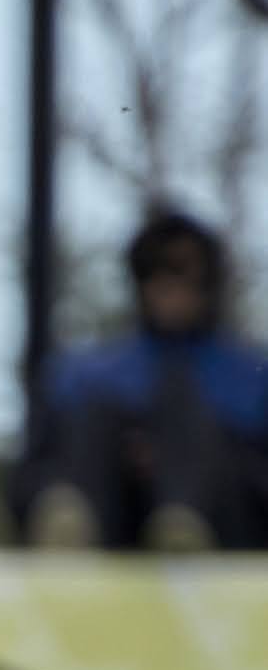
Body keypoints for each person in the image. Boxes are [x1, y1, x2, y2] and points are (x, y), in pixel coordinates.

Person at [23, 207, 268, 554]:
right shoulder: (86, 374)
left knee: (185, 417)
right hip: (111, 520)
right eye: (156, 272)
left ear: (208, 281)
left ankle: (183, 525)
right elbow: (31, 472)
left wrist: (177, 457)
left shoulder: (250, 378)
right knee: (97, 417)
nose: (169, 288)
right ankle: (72, 528)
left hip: (225, 529)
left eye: (184, 274)